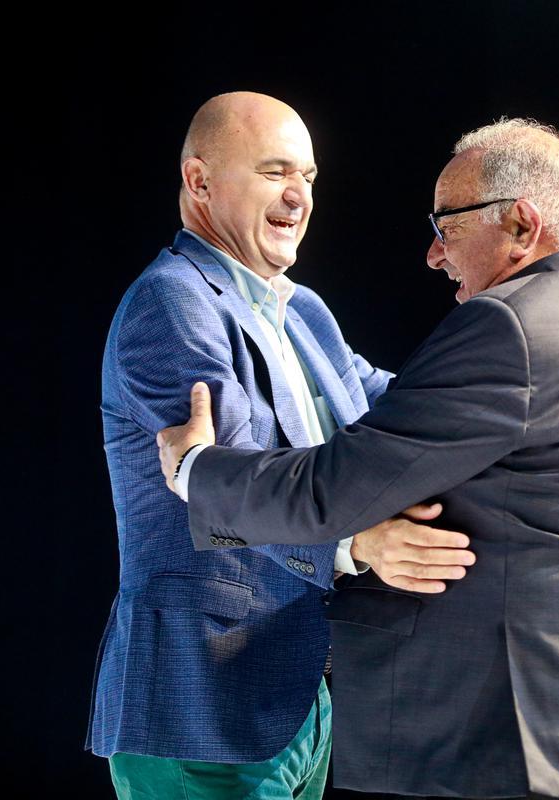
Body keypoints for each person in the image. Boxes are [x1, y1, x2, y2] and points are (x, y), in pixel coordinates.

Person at [158, 118, 559, 800]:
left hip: (519, 745)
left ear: (520, 224)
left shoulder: (509, 325)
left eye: (447, 225)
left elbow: (332, 488)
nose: (433, 254)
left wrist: (198, 468)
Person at [86, 92, 473, 800]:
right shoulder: (172, 302)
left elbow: (395, 410)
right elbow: (241, 485)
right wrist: (359, 546)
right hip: (198, 709)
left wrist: (515, 377)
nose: (299, 195)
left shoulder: (304, 312)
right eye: (274, 172)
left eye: (310, 177)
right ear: (199, 182)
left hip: (296, 702)